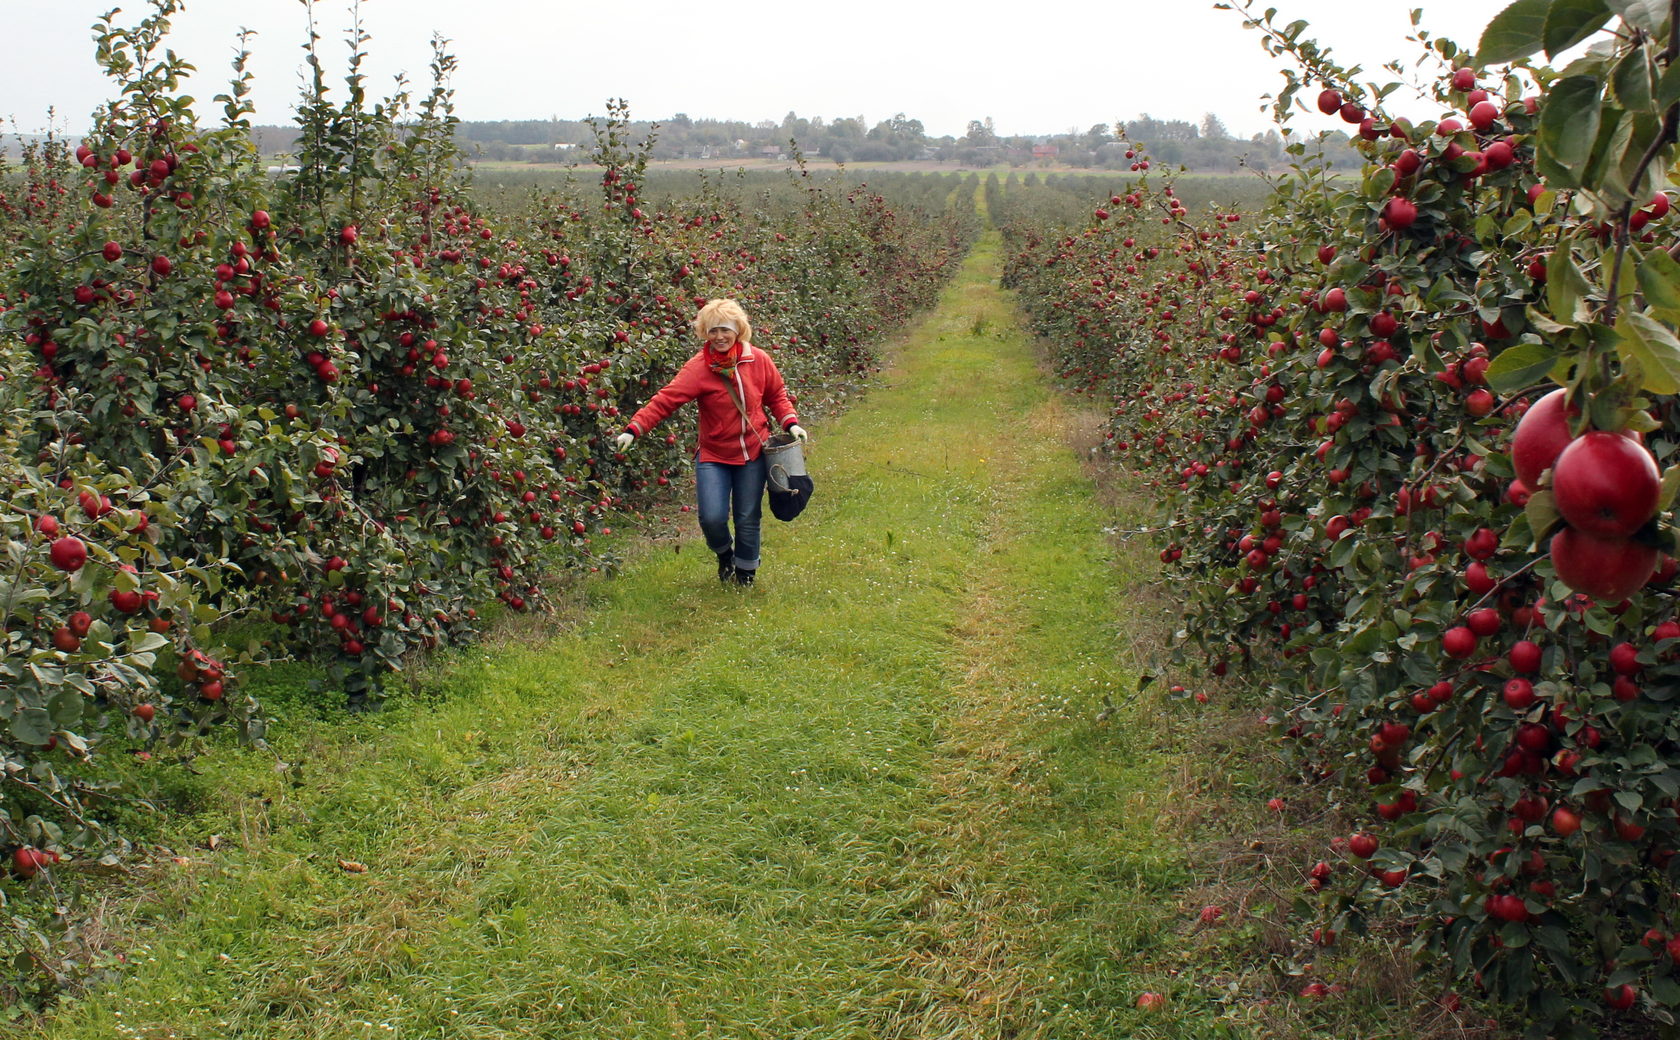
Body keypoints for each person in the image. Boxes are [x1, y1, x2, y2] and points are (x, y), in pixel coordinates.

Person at [614, 299, 807, 586]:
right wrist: (634, 428)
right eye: (713, 330)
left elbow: (776, 395)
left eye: (725, 330)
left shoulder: (758, 360)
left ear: (738, 330)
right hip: (715, 454)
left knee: (747, 517)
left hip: (753, 453)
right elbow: (666, 400)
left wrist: (791, 422)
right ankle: (724, 554)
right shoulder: (699, 368)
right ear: (705, 332)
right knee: (712, 518)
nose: (719, 337)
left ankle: (745, 574)